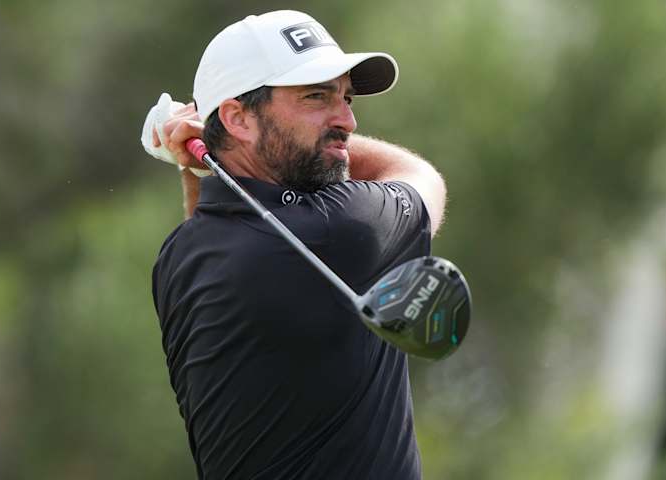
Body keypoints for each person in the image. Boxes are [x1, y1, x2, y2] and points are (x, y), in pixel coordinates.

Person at [146, 10, 446, 479]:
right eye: (316, 97)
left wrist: (199, 160)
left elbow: (215, 223)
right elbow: (419, 177)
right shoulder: (342, 230)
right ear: (238, 118)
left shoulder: (178, 259)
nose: (346, 119)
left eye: (345, 98)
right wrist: (202, 148)